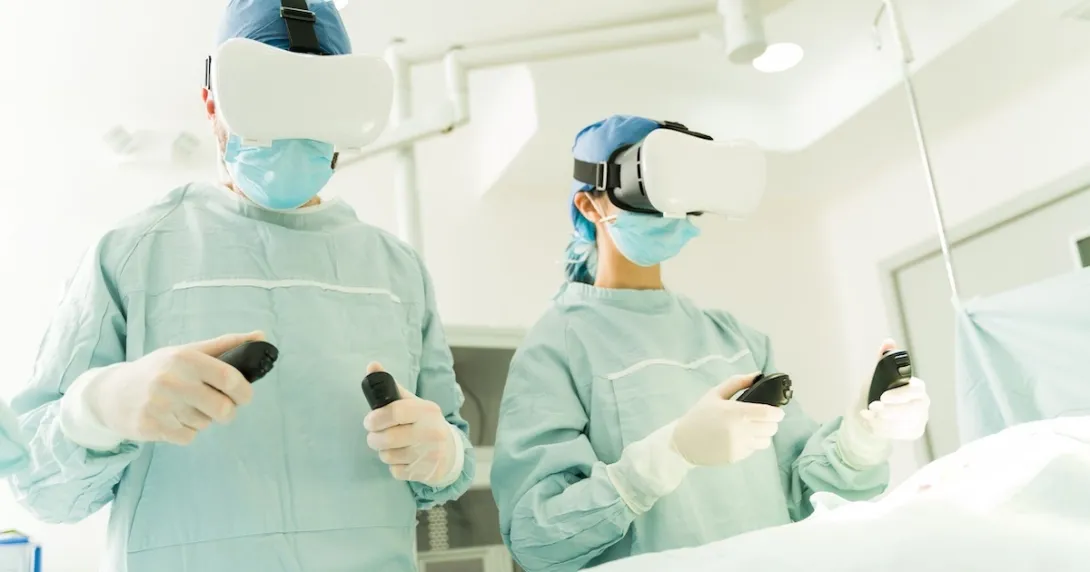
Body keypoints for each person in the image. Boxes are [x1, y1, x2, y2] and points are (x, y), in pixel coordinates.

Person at [5, 2, 474, 571]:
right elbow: (40, 485)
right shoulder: (131, 255)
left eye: (313, 105)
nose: (293, 128)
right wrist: (98, 410)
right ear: (212, 105)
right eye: (268, 102)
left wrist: (443, 455)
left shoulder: (398, 272)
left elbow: (446, 464)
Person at [489, 115, 932, 571]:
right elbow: (536, 538)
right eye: (650, 187)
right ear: (589, 206)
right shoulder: (558, 345)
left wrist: (863, 435)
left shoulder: (733, 337)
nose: (669, 209)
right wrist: (669, 454)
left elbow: (803, 490)